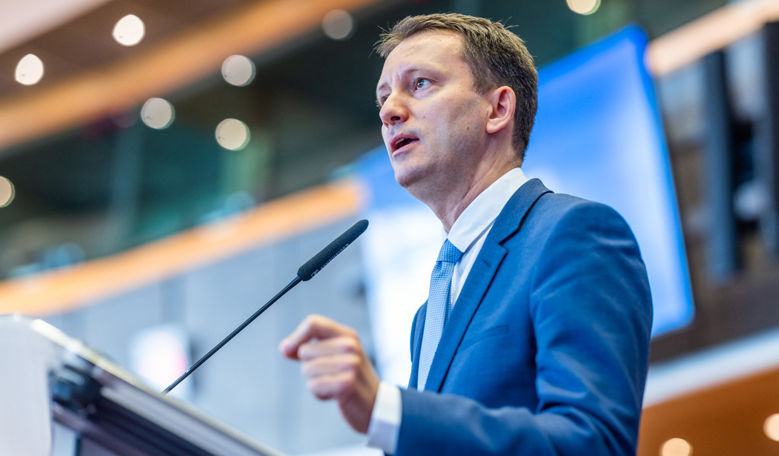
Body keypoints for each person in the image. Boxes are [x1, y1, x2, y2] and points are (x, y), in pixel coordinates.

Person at [280, 13, 653, 455]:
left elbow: (594, 444)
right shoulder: (429, 314)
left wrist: (386, 410)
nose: (388, 111)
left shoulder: (572, 235)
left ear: (497, 109)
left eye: (420, 84)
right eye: (384, 97)